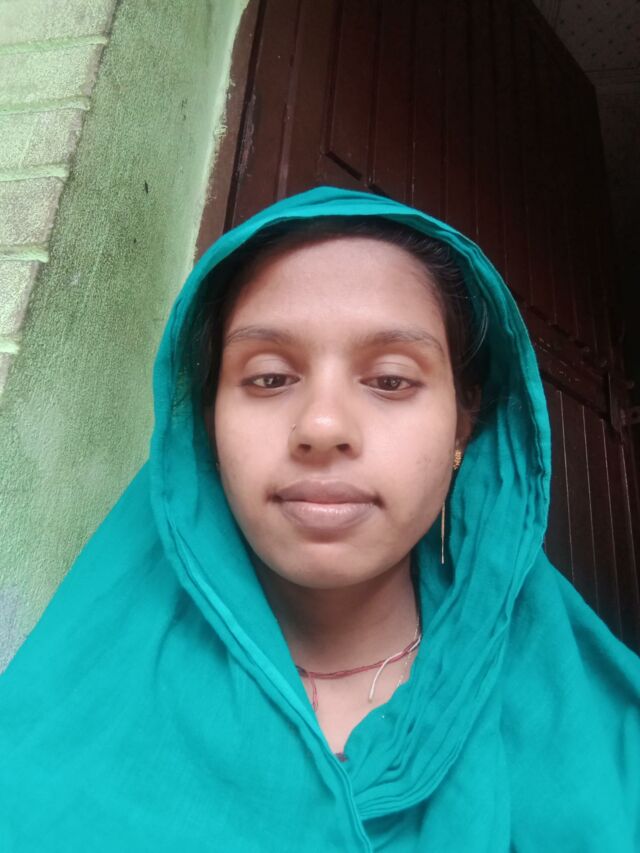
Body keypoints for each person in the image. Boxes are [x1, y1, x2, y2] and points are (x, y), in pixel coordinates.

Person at [0, 186, 638, 851]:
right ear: (207, 423)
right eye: (270, 378)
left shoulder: (599, 733)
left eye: (390, 379)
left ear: (463, 422)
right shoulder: (71, 709)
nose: (322, 426)